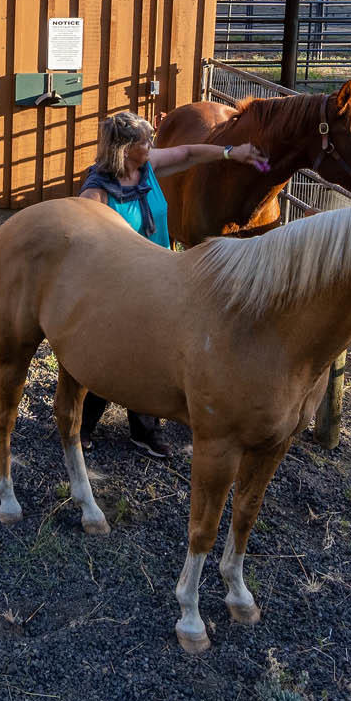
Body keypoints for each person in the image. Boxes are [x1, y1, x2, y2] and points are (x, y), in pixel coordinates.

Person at [76, 110, 266, 458]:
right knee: (111, 353)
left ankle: (144, 431)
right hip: (122, 284)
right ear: (123, 149)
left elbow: (190, 154)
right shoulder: (96, 194)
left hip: (162, 274)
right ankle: (81, 423)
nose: (152, 145)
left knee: (152, 353)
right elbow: (89, 250)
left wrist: (230, 153)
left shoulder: (146, 166)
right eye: (144, 141)